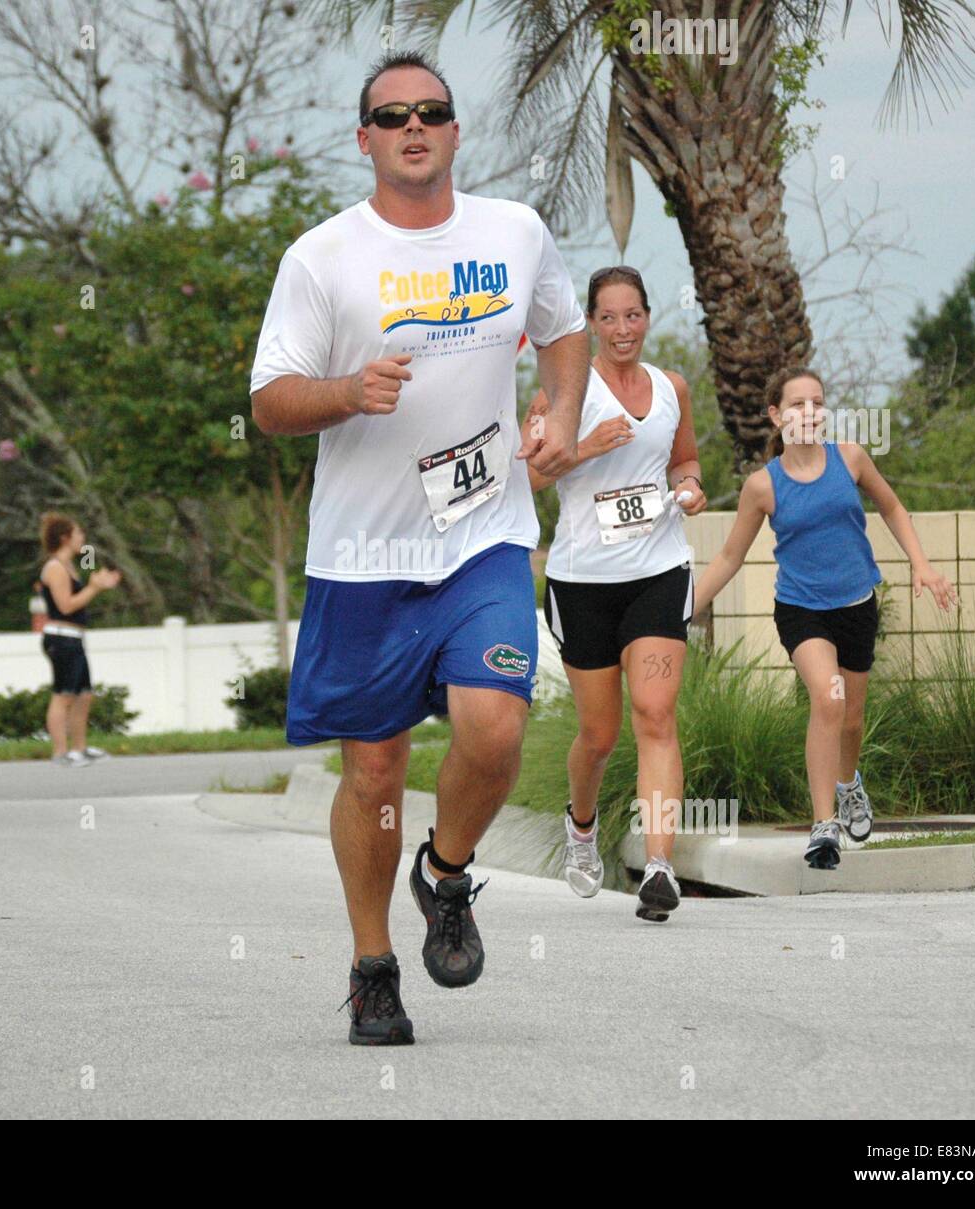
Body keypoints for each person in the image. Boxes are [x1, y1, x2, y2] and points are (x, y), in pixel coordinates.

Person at [250, 51, 588, 1045]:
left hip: (482, 534)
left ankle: (443, 874)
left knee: (493, 727)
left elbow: (561, 330)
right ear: (364, 139)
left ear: (452, 131)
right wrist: (348, 390)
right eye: (391, 114)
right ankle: (372, 964)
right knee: (374, 776)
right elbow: (270, 402)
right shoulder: (322, 258)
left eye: (431, 111)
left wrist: (558, 407)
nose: (413, 125)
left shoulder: (512, 232)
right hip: (363, 556)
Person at [693, 368, 957, 868]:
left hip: (856, 605)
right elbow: (730, 557)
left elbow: (893, 507)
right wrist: (685, 608)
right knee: (828, 699)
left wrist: (921, 564)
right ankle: (823, 826)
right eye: (796, 405)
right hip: (801, 610)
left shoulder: (850, 459)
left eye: (817, 402)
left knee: (851, 719)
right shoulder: (762, 487)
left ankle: (848, 784)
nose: (808, 413)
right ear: (776, 415)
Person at [523, 266, 706, 922]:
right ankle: (581, 826)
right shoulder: (560, 392)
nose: (623, 329)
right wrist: (585, 445)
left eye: (634, 316)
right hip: (583, 582)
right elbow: (535, 477)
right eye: (609, 317)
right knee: (599, 735)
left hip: (658, 570)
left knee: (655, 713)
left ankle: (660, 865)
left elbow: (685, 462)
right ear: (591, 324)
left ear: (648, 317)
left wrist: (689, 489)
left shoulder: (671, 388)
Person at [38, 513, 122, 768]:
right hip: (61, 639)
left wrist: (97, 586)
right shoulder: (55, 568)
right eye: (79, 534)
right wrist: (94, 588)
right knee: (63, 695)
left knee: (83, 695)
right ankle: (61, 753)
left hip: (73, 638)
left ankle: (80, 748)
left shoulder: (71, 566)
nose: (83, 539)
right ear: (65, 538)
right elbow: (65, 606)